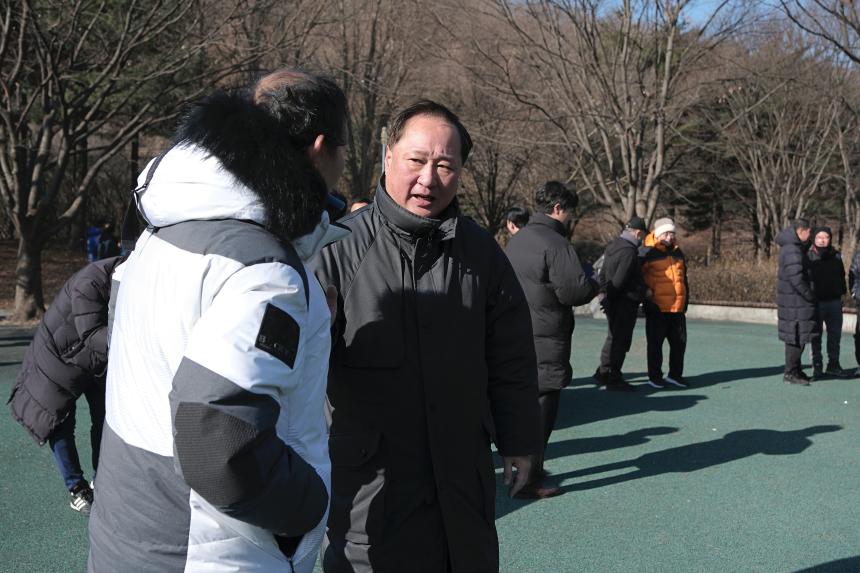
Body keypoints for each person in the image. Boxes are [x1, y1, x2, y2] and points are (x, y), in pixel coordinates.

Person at [87, 69, 349, 573]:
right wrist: (308, 506)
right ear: (321, 148)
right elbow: (217, 441)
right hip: (206, 548)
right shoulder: (262, 269)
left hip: (129, 529)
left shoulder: (164, 226)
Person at [312, 100, 541, 572]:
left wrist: (519, 440)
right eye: (416, 160)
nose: (428, 179)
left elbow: (511, 358)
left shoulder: (482, 254)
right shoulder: (336, 250)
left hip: (462, 487)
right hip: (369, 493)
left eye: (445, 166)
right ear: (388, 156)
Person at [8, 256, 124, 515]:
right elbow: (91, 333)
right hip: (57, 359)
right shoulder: (90, 282)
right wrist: (134, 338)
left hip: (93, 359)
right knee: (59, 422)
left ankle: (101, 481)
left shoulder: (131, 277)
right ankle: (77, 488)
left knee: (106, 418)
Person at [505, 181, 598, 498]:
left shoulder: (518, 240)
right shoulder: (556, 244)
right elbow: (574, 291)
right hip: (546, 335)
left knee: (519, 407)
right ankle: (528, 479)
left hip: (516, 331)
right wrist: (594, 281)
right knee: (542, 408)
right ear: (558, 208)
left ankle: (519, 469)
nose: (571, 218)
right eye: (570, 212)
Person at [594, 217, 649, 391]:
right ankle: (614, 376)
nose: (643, 239)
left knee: (612, 337)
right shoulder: (629, 251)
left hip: (612, 299)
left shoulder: (613, 246)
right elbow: (620, 280)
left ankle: (603, 372)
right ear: (638, 233)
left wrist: (604, 295)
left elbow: (603, 273)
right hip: (625, 301)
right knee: (621, 340)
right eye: (643, 235)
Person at [640, 218, 690, 389]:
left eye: (672, 233)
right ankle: (654, 377)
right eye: (666, 233)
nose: (670, 236)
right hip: (657, 308)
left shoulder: (678, 252)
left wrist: (685, 302)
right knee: (655, 345)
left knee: (679, 344)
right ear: (658, 234)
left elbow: (684, 279)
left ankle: (675, 376)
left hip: (677, 308)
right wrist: (646, 294)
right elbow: (637, 277)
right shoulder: (647, 252)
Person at [776, 219, 819, 385]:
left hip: (794, 301)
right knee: (796, 337)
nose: (810, 235)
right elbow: (797, 278)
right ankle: (790, 373)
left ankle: (796, 370)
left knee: (798, 336)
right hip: (796, 302)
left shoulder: (793, 247)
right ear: (801, 231)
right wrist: (810, 296)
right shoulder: (793, 249)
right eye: (809, 232)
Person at [807, 227, 850, 378]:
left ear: (830, 239)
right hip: (816, 303)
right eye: (819, 237)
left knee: (835, 336)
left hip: (834, 302)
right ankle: (817, 366)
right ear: (814, 239)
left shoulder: (836, 255)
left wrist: (842, 292)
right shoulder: (808, 256)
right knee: (815, 336)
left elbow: (842, 275)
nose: (822, 240)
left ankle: (834, 365)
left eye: (826, 237)